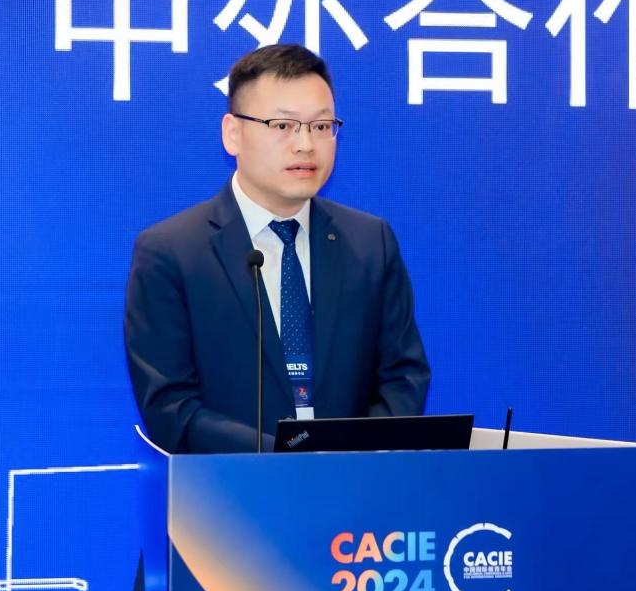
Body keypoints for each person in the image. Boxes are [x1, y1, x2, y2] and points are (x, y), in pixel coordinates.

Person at [125, 44, 430, 453]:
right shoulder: (171, 252)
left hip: (353, 486)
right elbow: (170, 408)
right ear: (232, 133)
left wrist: (352, 457)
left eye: (321, 126)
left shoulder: (370, 242)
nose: (305, 144)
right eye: (283, 125)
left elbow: (403, 377)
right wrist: (285, 457)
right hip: (231, 487)